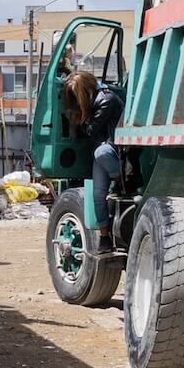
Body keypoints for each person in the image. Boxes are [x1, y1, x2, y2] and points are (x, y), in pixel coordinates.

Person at [61, 70, 125, 255]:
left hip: (115, 150)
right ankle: (104, 238)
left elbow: (90, 130)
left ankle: (120, 180)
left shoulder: (106, 100)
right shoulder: (98, 100)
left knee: (101, 152)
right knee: (98, 196)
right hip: (103, 151)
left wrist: (78, 120)